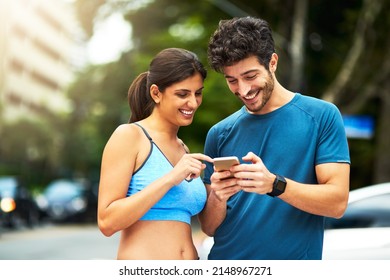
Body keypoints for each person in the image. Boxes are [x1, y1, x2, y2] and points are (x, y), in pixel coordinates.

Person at [198, 16, 351, 260]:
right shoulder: (219, 133)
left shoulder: (322, 116)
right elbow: (209, 227)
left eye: (250, 76)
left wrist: (274, 185)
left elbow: (337, 203)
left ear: (273, 62)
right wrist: (218, 196)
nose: (243, 90)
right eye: (232, 81)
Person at [97, 48, 213, 260]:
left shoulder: (183, 149)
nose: (193, 103)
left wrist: (221, 192)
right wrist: (171, 178)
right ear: (156, 93)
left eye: (198, 93)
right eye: (182, 94)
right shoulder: (130, 136)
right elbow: (107, 222)